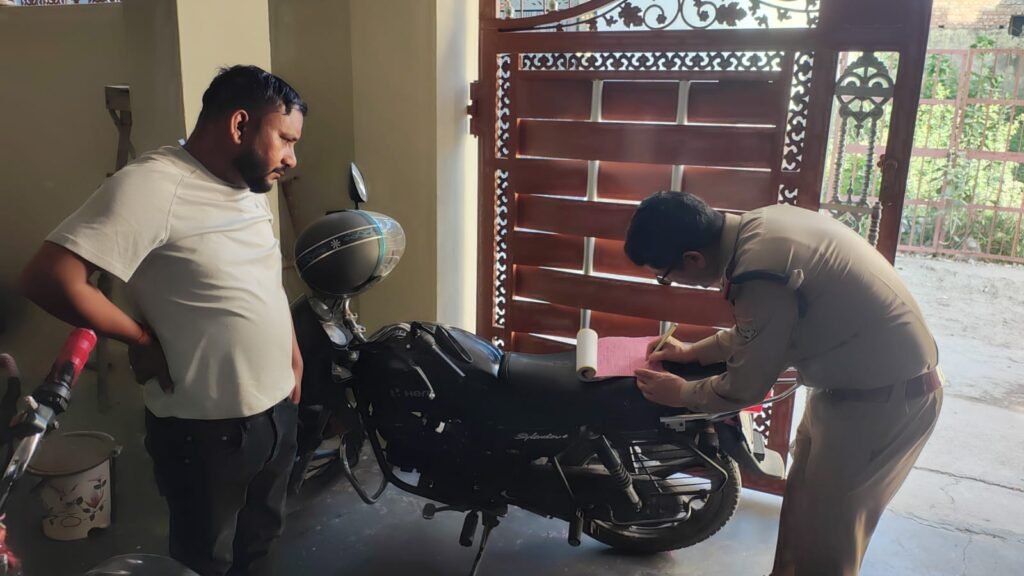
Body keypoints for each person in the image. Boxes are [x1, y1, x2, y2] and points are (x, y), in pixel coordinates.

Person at [20, 65, 306, 576]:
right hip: (208, 434)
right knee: (204, 560)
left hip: (277, 414)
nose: (291, 158)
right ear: (240, 125)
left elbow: (264, 278)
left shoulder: (248, 188)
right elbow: (51, 278)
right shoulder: (154, 185)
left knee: (261, 543)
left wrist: (292, 353)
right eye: (285, 139)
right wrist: (138, 338)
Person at [624, 191, 943, 576]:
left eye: (664, 275)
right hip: (848, 393)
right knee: (801, 516)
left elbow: (744, 387)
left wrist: (680, 393)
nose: (669, 283)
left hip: (881, 403)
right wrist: (694, 353)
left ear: (693, 259)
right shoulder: (761, 226)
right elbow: (765, 330)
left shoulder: (760, 270)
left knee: (828, 545)